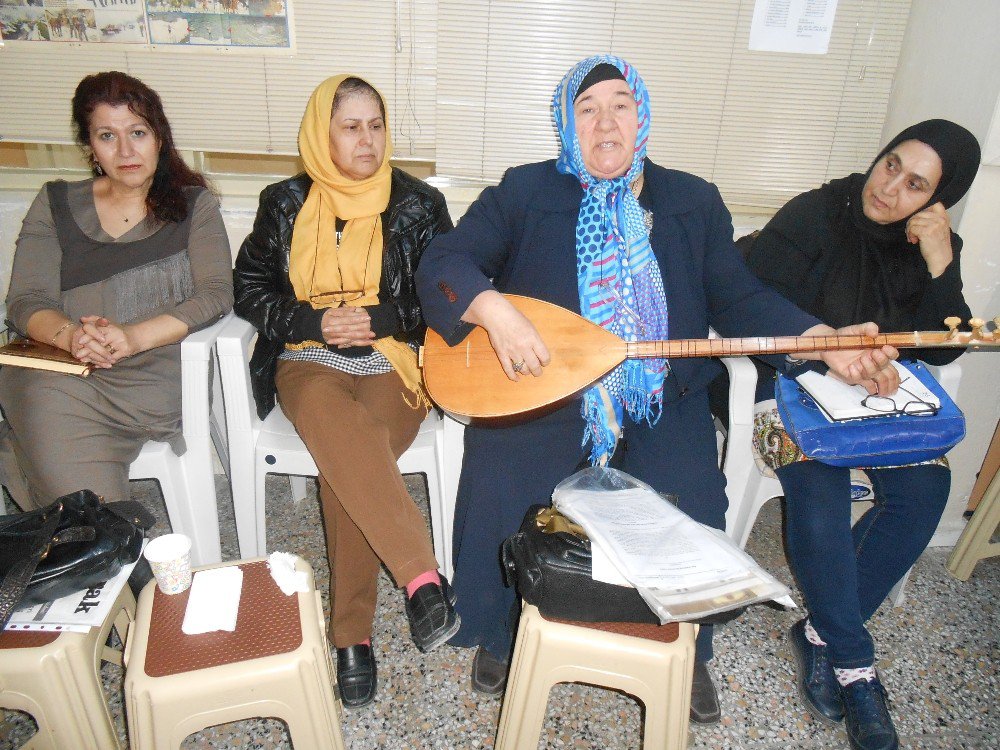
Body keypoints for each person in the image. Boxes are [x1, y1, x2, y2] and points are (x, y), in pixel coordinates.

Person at [414, 54, 901, 723]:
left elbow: (738, 298)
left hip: (656, 397)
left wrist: (818, 337)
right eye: (587, 109)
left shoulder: (691, 201)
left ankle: (684, 648)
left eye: (621, 104)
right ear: (566, 123)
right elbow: (445, 261)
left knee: (694, 496)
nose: (605, 121)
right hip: (546, 391)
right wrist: (496, 312)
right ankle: (503, 631)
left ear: (642, 115)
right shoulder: (526, 191)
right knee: (500, 478)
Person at [743, 120, 980, 750]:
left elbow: (947, 349)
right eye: (891, 165)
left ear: (937, 199)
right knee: (818, 494)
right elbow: (742, 298)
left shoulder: (931, 241)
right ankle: (855, 665)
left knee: (927, 491)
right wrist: (824, 349)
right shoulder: (818, 213)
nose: (890, 187)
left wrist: (940, 263)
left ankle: (820, 632)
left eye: (915, 184)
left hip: (872, 401)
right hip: (785, 385)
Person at [232, 75, 457, 709]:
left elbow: (444, 293)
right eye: (350, 126)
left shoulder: (417, 204)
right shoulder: (283, 202)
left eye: (376, 126)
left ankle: (350, 637)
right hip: (308, 359)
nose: (367, 139)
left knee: (348, 457)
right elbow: (248, 288)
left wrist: (383, 319)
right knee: (345, 435)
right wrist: (311, 322)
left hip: (392, 361)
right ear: (320, 133)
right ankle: (422, 579)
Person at [0, 71, 233, 510]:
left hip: (153, 375)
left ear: (159, 137)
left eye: (138, 133)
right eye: (108, 136)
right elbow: (26, 301)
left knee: (39, 448)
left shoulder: (193, 206)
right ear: (90, 146)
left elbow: (218, 293)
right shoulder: (55, 203)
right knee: (38, 402)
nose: (126, 151)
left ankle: (89, 542)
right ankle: (101, 547)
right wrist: (72, 336)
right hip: (65, 369)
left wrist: (132, 338)